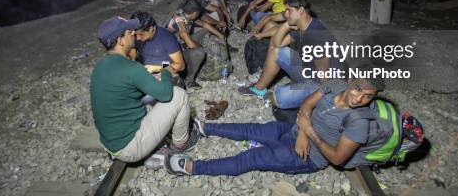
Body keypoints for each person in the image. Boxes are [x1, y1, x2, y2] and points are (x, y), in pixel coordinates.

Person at [164, 74, 385, 176]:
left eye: (368, 96)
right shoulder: (337, 85)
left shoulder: (359, 122)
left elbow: (337, 158)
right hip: (295, 133)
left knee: (251, 158)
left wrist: (309, 134)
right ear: (351, 81)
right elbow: (307, 103)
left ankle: (193, 168)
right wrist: (303, 131)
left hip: (308, 155)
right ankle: (205, 128)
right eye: (357, 89)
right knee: (254, 129)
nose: (359, 99)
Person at [90, 16, 201, 163]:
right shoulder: (131, 68)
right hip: (129, 148)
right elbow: (166, 95)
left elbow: (127, 90)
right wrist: (166, 71)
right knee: (179, 96)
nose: (134, 34)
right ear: (120, 41)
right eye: (130, 32)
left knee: (149, 98)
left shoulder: (100, 67)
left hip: (111, 141)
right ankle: (181, 144)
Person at [238, 0, 341, 109]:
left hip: (321, 82)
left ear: (301, 10)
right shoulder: (302, 26)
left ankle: (296, 89)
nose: (286, 14)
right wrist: (287, 24)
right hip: (308, 70)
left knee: (280, 96)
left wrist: (326, 102)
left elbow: (325, 80)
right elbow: (276, 44)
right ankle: (258, 89)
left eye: (289, 10)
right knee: (277, 51)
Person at [129, 11, 202, 91]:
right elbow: (132, 55)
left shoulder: (166, 38)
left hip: (164, 71)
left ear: (151, 29)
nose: (137, 38)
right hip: (145, 71)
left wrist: (157, 68)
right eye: (135, 34)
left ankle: (188, 81)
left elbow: (181, 66)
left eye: (140, 35)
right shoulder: (135, 35)